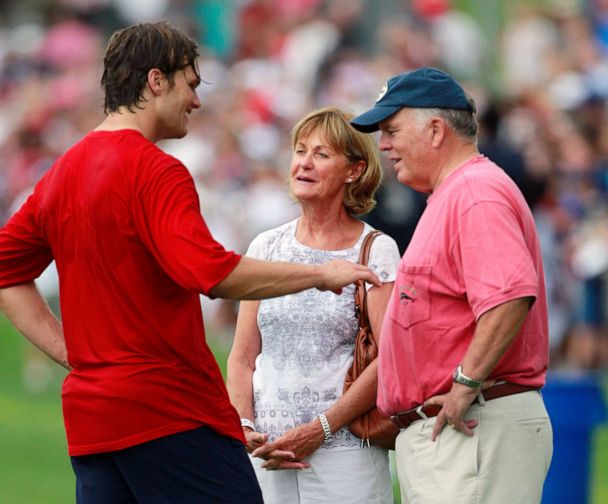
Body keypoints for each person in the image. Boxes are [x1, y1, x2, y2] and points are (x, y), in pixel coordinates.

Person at [0, 22, 381, 504]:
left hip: (93, 422)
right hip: (168, 412)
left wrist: (72, 354)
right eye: (191, 84)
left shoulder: (62, 172)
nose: (197, 101)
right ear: (156, 81)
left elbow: (6, 270)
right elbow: (211, 273)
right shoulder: (157, 170)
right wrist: (321, 274)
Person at [350, 67, 553, 504]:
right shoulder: (456, 193)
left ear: (436, 129)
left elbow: (510, 296)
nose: (383, 145)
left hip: (475, 426)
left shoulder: (474, 193)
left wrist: (465, 384)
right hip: (462, 433)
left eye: (391, 130)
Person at [226, 106, 400, 504]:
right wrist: (244, 424)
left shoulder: (376, 249)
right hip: (267, 454)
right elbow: (242, 358)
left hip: (345, 456)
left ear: (353, 171)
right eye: (300, 150)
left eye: (322, 154)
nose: (304, 162)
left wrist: (320, 429)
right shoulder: (266, 246)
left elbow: (390, 358)